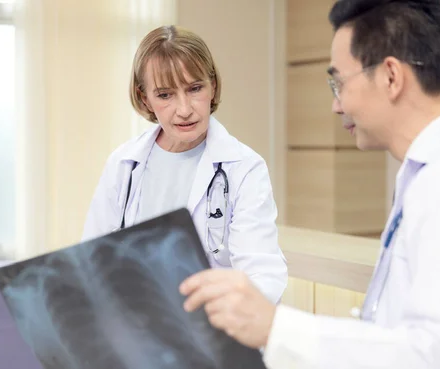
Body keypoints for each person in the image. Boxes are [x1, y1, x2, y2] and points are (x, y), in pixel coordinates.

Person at [179, 0, 440, 368]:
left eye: (339, 82)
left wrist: (276, 330)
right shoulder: (428, 172)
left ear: (390, 77)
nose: (336, 105)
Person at [82, 25, 288, 303]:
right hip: (136, 329)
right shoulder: (124, 164)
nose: (184, 109)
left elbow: (262, 276)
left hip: (212, 331)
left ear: (212, 87)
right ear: (146, 99)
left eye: (194, 88)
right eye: (165, 95)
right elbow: (93, 261)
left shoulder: (244, 168)